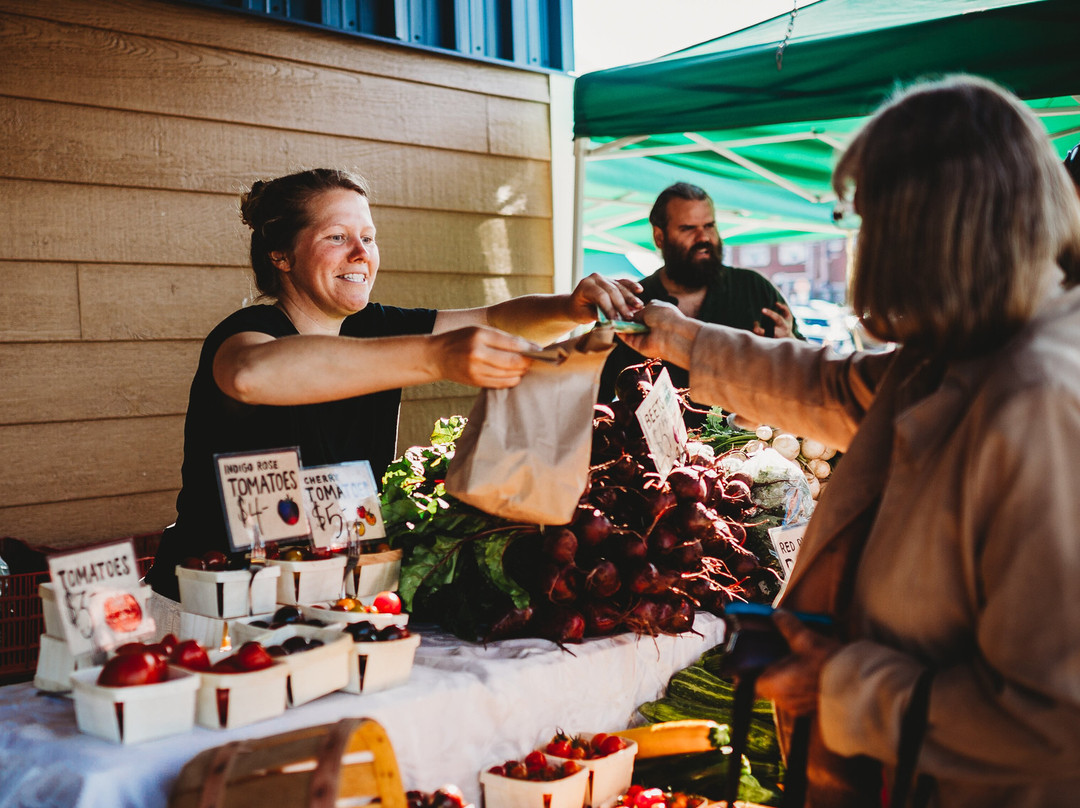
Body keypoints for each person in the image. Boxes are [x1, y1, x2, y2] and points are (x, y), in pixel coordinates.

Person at [620, 76, 1080, 807]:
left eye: (864, 220)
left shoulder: (1043, 400)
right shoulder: (960, 347)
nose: (858, 244)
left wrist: (842, 685)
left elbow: (1055, 721)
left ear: (932, 230)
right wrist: (677, 336)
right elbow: (829, 385)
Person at [146, 168, 641, 602]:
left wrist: (569, 309)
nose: (361, 253)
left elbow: (498, 319)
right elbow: (249, 374)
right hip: (216, 599)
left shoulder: (377, 325)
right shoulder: (248, 331)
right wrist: (433, 355)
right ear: (281, 255)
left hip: (330, 591)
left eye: (369, 236)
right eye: (337, 237)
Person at [596, 182, 802, 420]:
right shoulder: (631, 304)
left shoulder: (753, 289)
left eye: (709, 225)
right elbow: (590, 396)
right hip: (656, 454)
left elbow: (804, 378)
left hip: (751, 449)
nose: (703, 237)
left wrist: (791, 345)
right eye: (688, 228)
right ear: (659, 236)